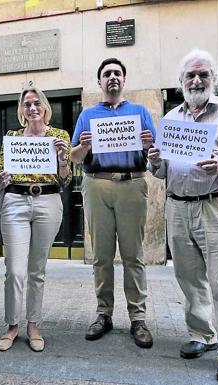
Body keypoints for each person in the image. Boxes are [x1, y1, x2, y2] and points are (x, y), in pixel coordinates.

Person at [148, 49, 218, 382]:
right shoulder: (170, 119)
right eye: (190, 76)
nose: (196, 80)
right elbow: (160, 171)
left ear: (214, 79)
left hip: (216, 205)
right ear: (181, 82)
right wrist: (154, 158)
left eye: (203, 75)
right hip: (178, 207)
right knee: (189, 277)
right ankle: (202, 334)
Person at [71, 58, 155, 348]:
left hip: (132, 183)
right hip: (97, 183)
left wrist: (149, 146)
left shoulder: (140, 112)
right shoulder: (87, 116)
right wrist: (83, 146)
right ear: (99, 82)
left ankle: (138, 318)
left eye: (117, 73)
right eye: (107, 74)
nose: (112, 77)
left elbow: (155, 154)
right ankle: (103, 313)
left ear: (124, 79)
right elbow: (74, 157)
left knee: (134, 255)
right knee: (102, 256)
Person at [0, 87, 71, 352]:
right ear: (21, 110)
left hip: (48, 201)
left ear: (45, 107)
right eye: (27, 104)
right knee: (15, 269)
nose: (33, 108)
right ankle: (12, 325)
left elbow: (65, 179)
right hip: (15, 201)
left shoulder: (59, 136)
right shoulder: (12, 138)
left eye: (37, 103)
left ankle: (33, 323)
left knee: (37, 269)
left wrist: (62, 159)